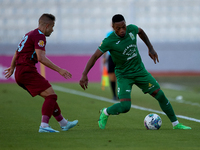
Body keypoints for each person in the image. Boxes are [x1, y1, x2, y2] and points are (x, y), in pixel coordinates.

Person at [79, 14, 191, 130]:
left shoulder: (131, 29)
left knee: (160, 95)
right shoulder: (109, 41)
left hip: (140, 71)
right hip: (124, 76)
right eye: (118, 28)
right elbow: (95, 56)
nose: (122, 30)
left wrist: (150, 48)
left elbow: (141, 32)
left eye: (124, 27)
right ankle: (106, 112)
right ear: (113, 27)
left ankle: (176, 124)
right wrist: (84, 74)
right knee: (125, 107)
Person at [4, 13, 78, 133]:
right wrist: (60, 70)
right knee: (51, 96)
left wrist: (12, 67)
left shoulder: (29, 34)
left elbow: (17, 52)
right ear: (47, 25)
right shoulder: (39, 36)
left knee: (49, 96)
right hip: (27, 71)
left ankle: (63, 123)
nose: (53, 30)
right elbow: (41, 58)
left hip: (20, 72)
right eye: (53, 26)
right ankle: (44, 126)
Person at [102, 31, 117, 100]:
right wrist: (104, 57)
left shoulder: (122, 33)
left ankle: (121, 94)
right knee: (112, 76)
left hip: (119, 57)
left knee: (119, 76)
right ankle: (114, 95)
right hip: (111, 57)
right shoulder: (109, 34)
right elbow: (105, 45)